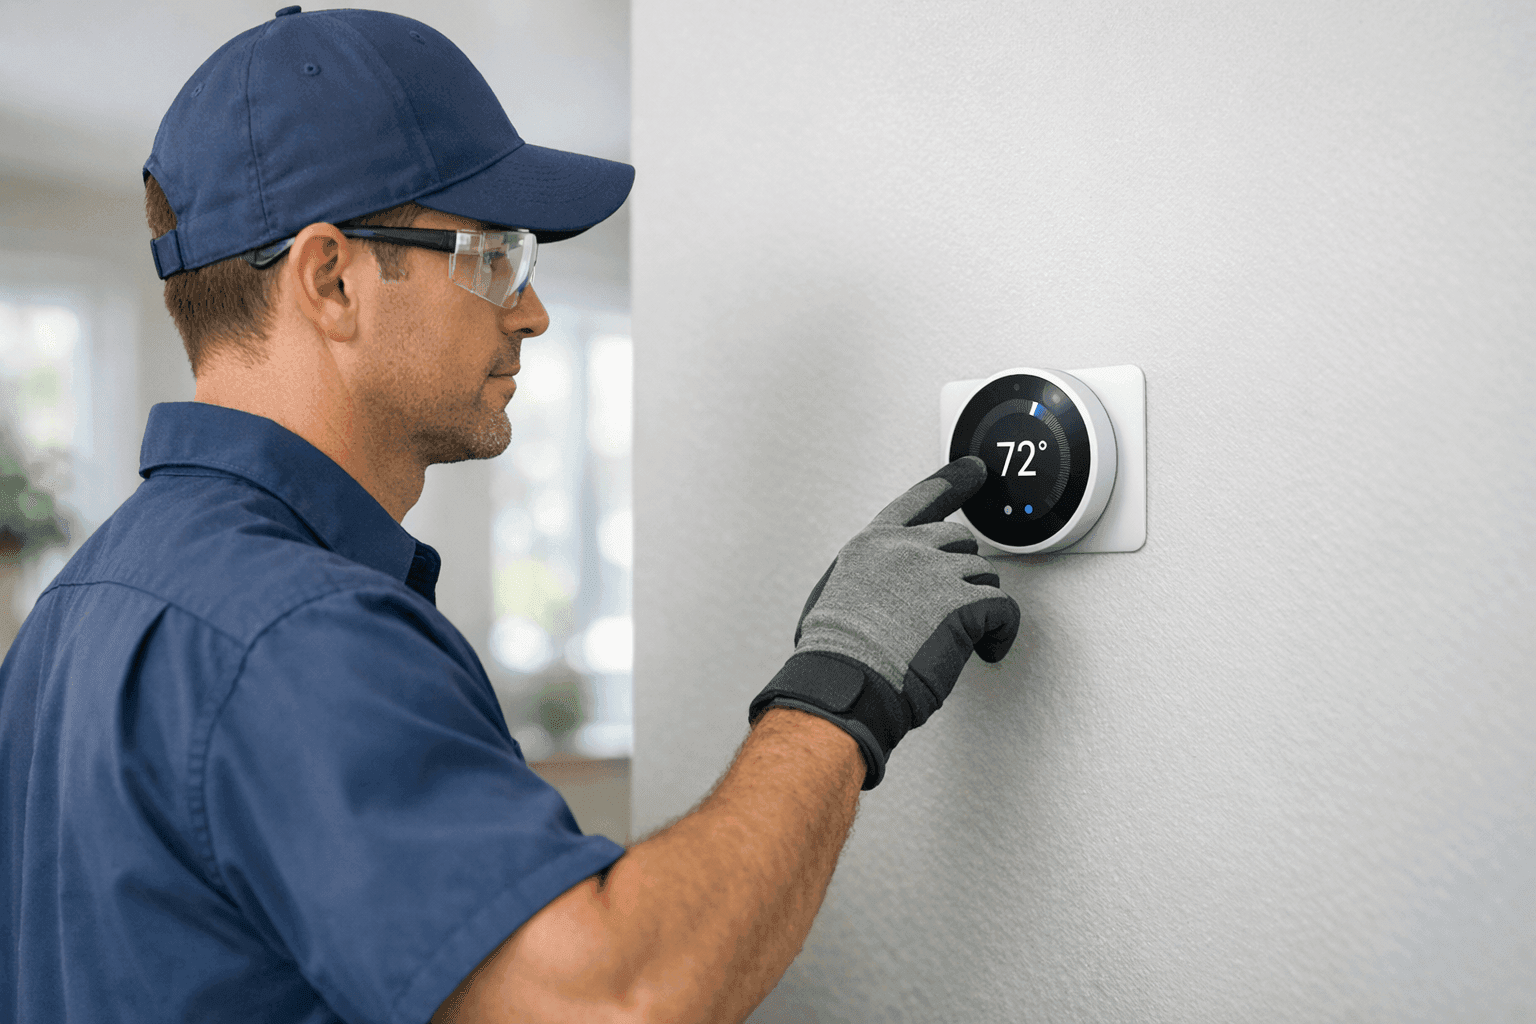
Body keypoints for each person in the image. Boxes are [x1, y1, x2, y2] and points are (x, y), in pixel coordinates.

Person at [0, 7, 1021, 1023]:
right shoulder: (288, 630)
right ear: (332, 278)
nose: (529, 309)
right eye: (491, 256)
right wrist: (845, 682)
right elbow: (616, 996)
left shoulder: (77, 609)